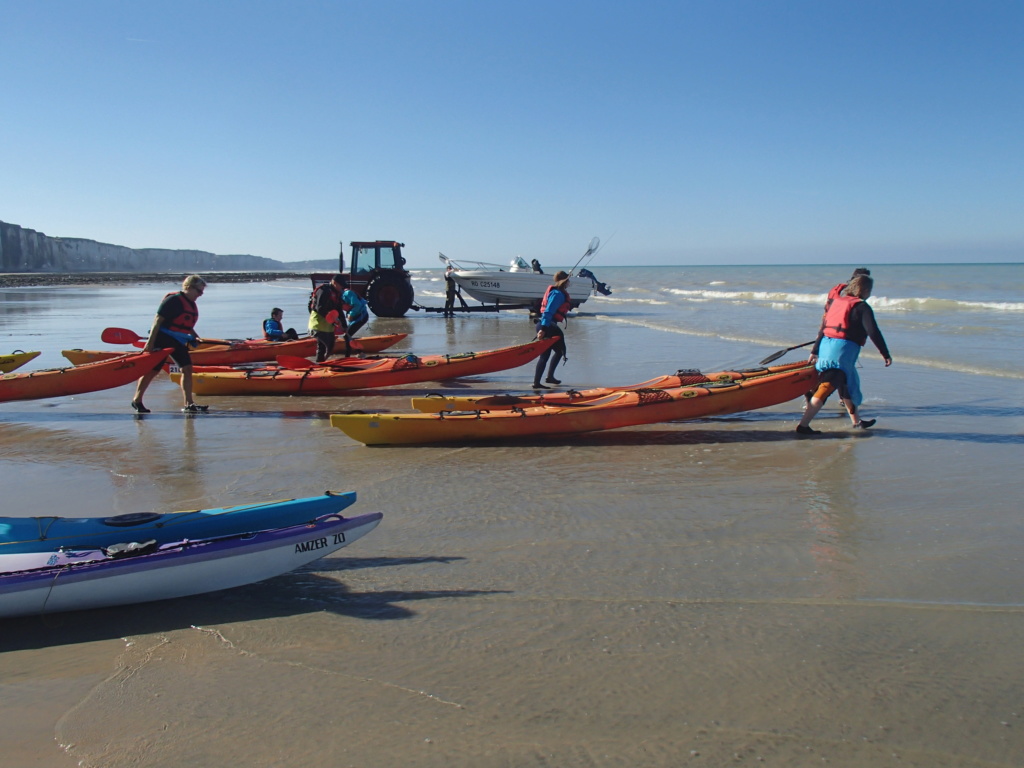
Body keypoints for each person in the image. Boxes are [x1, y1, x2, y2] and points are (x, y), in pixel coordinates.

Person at [796, 274, 892, 435]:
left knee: (845, 384)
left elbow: (823, 329)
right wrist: (885, 353)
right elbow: (873, 331)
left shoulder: (837, 303)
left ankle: (856, 422)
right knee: (826, 388)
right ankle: (803, 426)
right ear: (866, 290)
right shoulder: (862, 307)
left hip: (827, 348)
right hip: (841, 354)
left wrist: (815, 350)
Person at [131, 274, 209, 413]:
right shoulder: (173, 300)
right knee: (153, 371)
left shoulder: (190, 303)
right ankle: (137, 400)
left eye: (202, 292)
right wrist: (150, 344)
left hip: (177, 340)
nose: (201, 294)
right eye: (199, 291)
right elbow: (157, 321)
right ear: (189, 287)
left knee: (187, 368)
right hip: (162, 339)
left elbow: (185, 322)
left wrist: (195, 337)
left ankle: (189, 404)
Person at [533, 270, 571, 389]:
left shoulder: (557, 292)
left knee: (556, 352)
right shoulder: (558, 294)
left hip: (547, 324)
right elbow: (548, 312)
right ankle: (539, 382)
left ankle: (546, 378)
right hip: (547, 325)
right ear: (565, 281)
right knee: (554, 352)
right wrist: (543, 329)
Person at [308, 274, 346, 362]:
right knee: (326, 347)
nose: (342, 288)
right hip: (318, 325)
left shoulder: (337, 293)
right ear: (334, 282)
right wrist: (334, 320)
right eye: (341, 285)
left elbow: (339, 310)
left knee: (329, 347)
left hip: (328, 327)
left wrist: (344, 325)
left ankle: (320, 364)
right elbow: (320, 308)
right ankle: (319, 365)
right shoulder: (324, 291)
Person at [338, 276, 369, 356]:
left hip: (361, 317)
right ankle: (359, 353)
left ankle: (349, 356)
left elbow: (357, 305)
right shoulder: (341, 295)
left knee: (346, 336)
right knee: (347, 335)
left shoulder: (348, 293)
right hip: (355, 318)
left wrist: (351, 314)